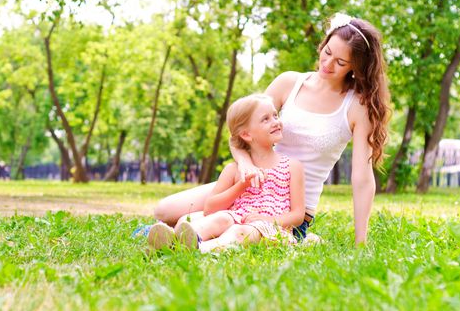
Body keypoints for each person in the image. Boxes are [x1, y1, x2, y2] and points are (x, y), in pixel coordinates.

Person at [151, 13, 390, 245]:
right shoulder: (289, 82)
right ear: (324, 43)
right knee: (164, 211)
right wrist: (245, 164)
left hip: (288, 204)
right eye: (327, 52)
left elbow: (362, 178)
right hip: (251, 185)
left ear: (355, 67)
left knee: (226, 229)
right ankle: (185, 234)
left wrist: (361, 242)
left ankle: (294, 236)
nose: (327, 64)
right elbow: (243, 130)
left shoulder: (357, 106)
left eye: (340, 62)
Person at [146, 94, 305, 252]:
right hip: (237, 219)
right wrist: (241, 186)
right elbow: (210, 208)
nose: (275, 122)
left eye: (275, 115)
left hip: (271, 230)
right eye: (266, 119)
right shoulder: (234, 169)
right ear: (246, 134)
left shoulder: (292, 166)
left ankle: (199, 249)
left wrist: (269, 220)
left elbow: (297, 215)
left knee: (238, 232)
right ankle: (172, 240)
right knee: (221, 218)